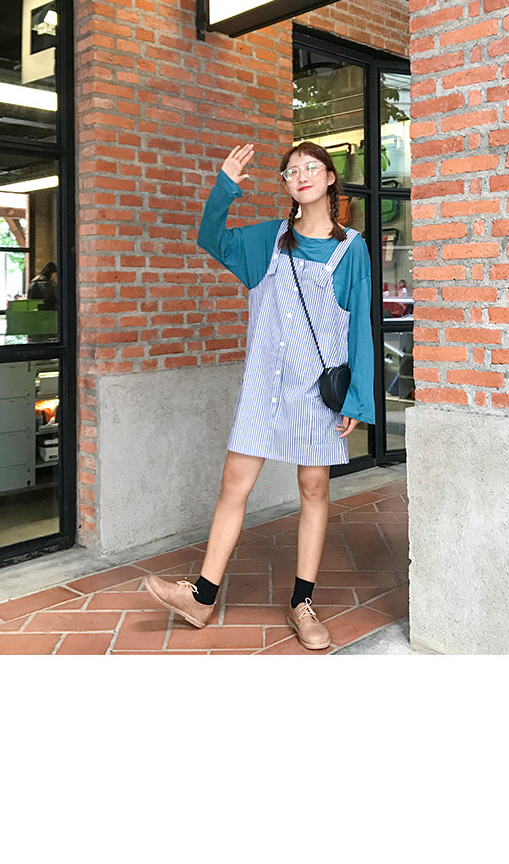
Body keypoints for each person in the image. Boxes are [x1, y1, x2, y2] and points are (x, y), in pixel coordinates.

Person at [142, 141, 375, 650]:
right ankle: (202, 597)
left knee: (313, 489)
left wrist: (357, 399)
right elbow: (210, 238)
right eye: (291, 171)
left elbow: (361, 323)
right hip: (263, 388)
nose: (302, 175)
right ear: (286, 185)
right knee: (234, 485)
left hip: (315, 393)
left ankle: (302, 603)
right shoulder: (269, 239)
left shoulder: (351, 249)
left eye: (311, 167)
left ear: (330, 178)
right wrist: (225, 184)